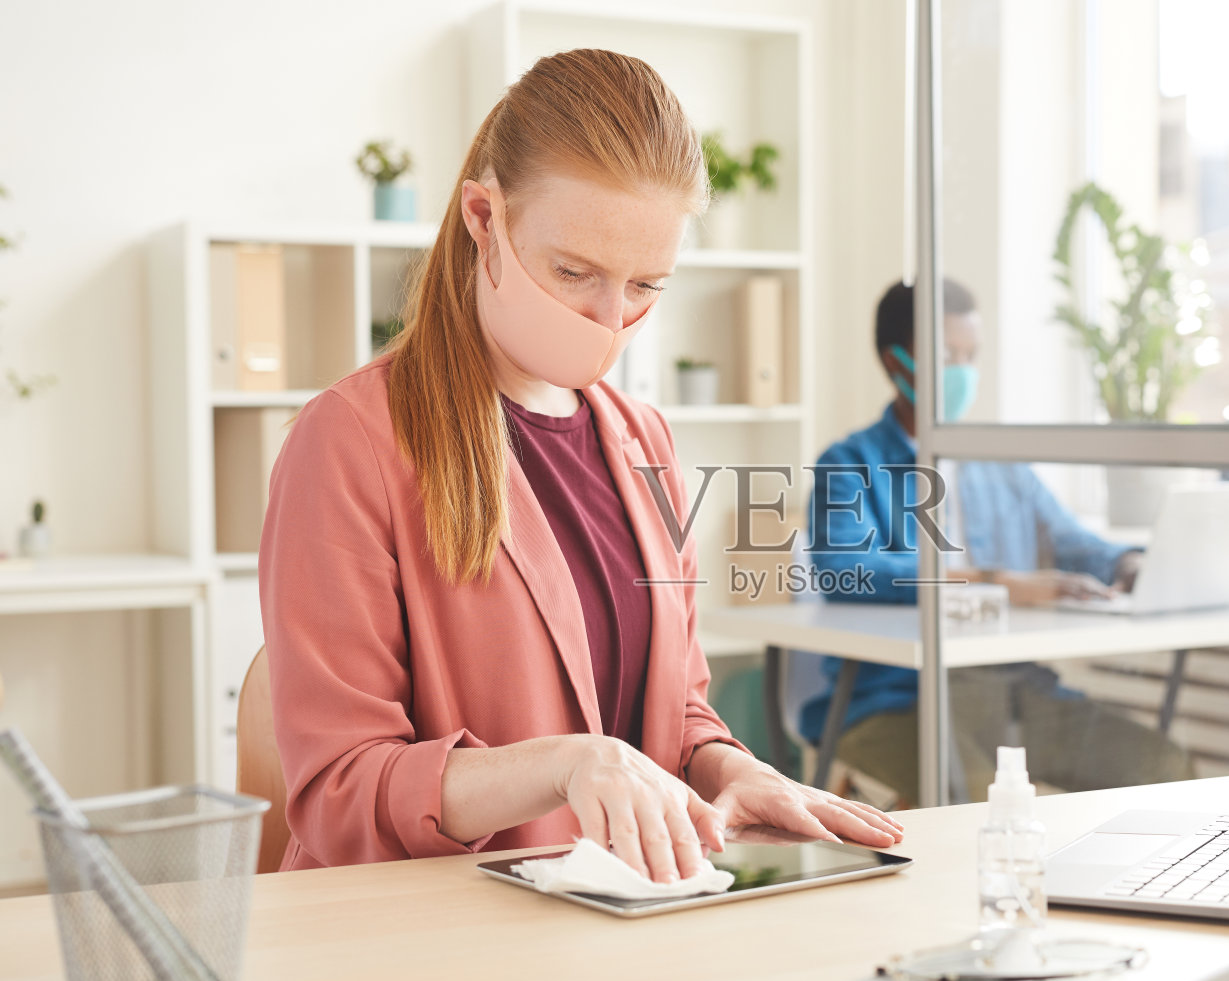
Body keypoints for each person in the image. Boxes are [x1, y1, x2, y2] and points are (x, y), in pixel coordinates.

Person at [260, 49, 902, 879]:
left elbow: (673, 710)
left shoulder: (647, 443)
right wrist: (563, 764)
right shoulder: (349, 441)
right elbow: (339, 794)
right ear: (483, 220)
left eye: (646, 286)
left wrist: (727, 766)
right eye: (574, 273)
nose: (609, 320)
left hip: (608, 914)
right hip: (418, 945)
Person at [804, 279, 1194, 804]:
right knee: (977, 797)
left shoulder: (998, 459)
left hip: (1014, 692)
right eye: (947, 355)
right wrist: (998, 583)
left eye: (972, 355)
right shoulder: (849, 464)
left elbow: (1071, 542)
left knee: (1163, 765)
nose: (963, 370)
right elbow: (847, 570)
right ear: (895, 362)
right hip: (893, 700)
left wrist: (1126, 560)